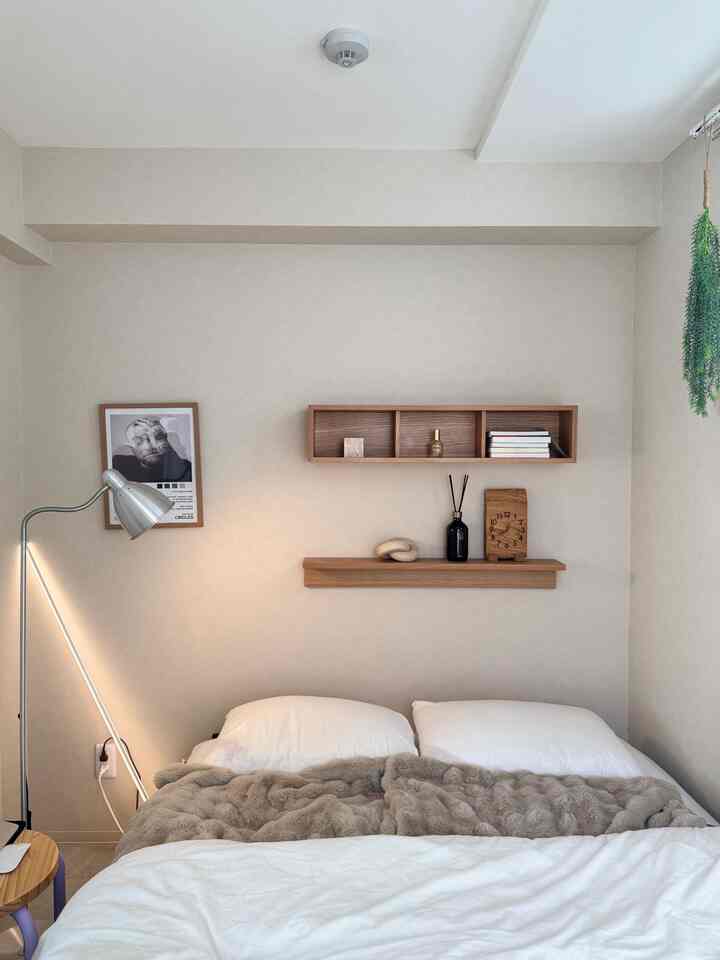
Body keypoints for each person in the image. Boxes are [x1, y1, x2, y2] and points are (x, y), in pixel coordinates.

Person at [112, 417, 192, 483]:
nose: (148, 447)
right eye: (138, 441)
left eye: (158, 437)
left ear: (167, 440)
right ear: (131, 447)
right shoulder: (120, 465)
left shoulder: (186, 467)